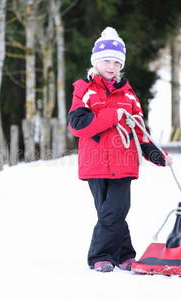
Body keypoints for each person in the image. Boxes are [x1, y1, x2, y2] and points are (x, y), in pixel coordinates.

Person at [68, 27, 173, 272]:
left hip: (123, 163)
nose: (112, 66)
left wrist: (157, 155)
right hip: (94, 163)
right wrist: (112, 115)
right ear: (96, 61)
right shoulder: (84, 89)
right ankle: (124, 255)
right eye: (107, 60)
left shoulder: (129, 94)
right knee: (110, 214)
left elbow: (140, 132)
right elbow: (78, 125)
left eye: (117, 62)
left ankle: (101, 256)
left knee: (116, 210)